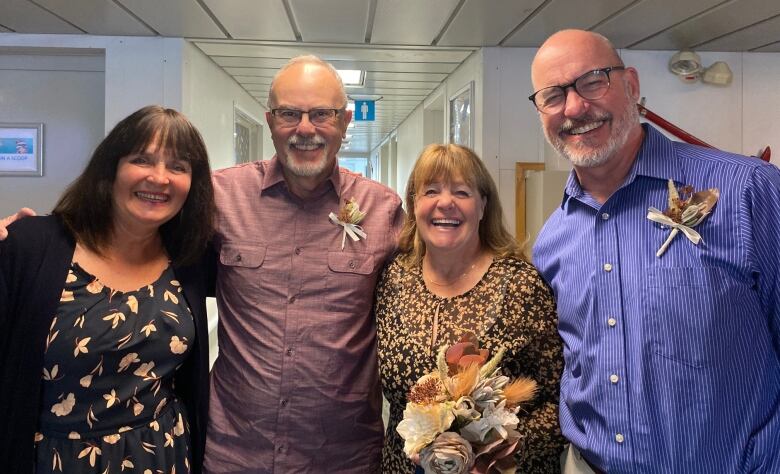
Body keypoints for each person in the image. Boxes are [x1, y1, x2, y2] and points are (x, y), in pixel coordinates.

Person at [529, 29, 780, 473]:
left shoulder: (748, 192)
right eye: (553, 95)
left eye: (592, 81)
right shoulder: (552, 241)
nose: (573, 107)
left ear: (632, 85)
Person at [203, 55, 403, 472]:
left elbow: (433, 285)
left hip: (342, 457)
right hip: (235, 453)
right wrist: (52, 238)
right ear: (270, 120)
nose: (305, 129)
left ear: (345, 122)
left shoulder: (383, 210)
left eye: (322, 114)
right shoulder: (221, 196)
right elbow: (144, 250)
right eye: (289, 114)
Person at [0, 105, 215, 473]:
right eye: (142, 160)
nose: (160, 178)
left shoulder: (191, 257)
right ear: (111, 169)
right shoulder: (30, 246)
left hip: (163, 453)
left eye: (178, 167)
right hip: (52, 459)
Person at [375, 143, 565, 473]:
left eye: (461, 192)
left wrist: (495, 455)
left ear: (482, 206)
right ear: (414, 205)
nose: (445, 203)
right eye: (430, 190)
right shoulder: (393, 279)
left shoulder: (520, 285)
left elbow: (558, 399)